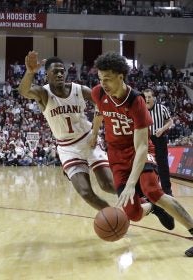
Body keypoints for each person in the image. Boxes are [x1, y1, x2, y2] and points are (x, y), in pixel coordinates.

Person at [91, 51, 193, 257]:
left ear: (121, 76)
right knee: (133, 214)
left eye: (108, 79)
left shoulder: (136, 102)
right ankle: (153, 208)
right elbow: (99, 112)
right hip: (116, 157)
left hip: (139, 151)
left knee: (153, 190)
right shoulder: (98, 93)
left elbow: (141, 148)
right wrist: (94, 134)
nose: (104, 84)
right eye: (101, 79)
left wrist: (131, 183)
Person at [18, 51, 115, 211]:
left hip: (88, 139)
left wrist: (97, 130)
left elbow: (103, 103)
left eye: (62, 71)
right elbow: (23, 91)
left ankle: (140, 198)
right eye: (55, 71)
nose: (60, 74)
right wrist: (29, 72)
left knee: (107, 184)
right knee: (85, 192)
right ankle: (115, 217)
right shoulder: (43, 93)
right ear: (47, 74)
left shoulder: (79, 90)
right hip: (67, 148)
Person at [143, 88, 173, 196]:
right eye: (145, 97)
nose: (147, 99)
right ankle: (148, 192)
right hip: (145, 140)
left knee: (163, 165)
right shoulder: (141, 109)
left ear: (154, 98)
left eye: (149, 97)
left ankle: (167, 191)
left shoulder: (162, 108)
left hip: (159, 139)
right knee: (147, 166)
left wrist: (162, 129)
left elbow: (170, 121)